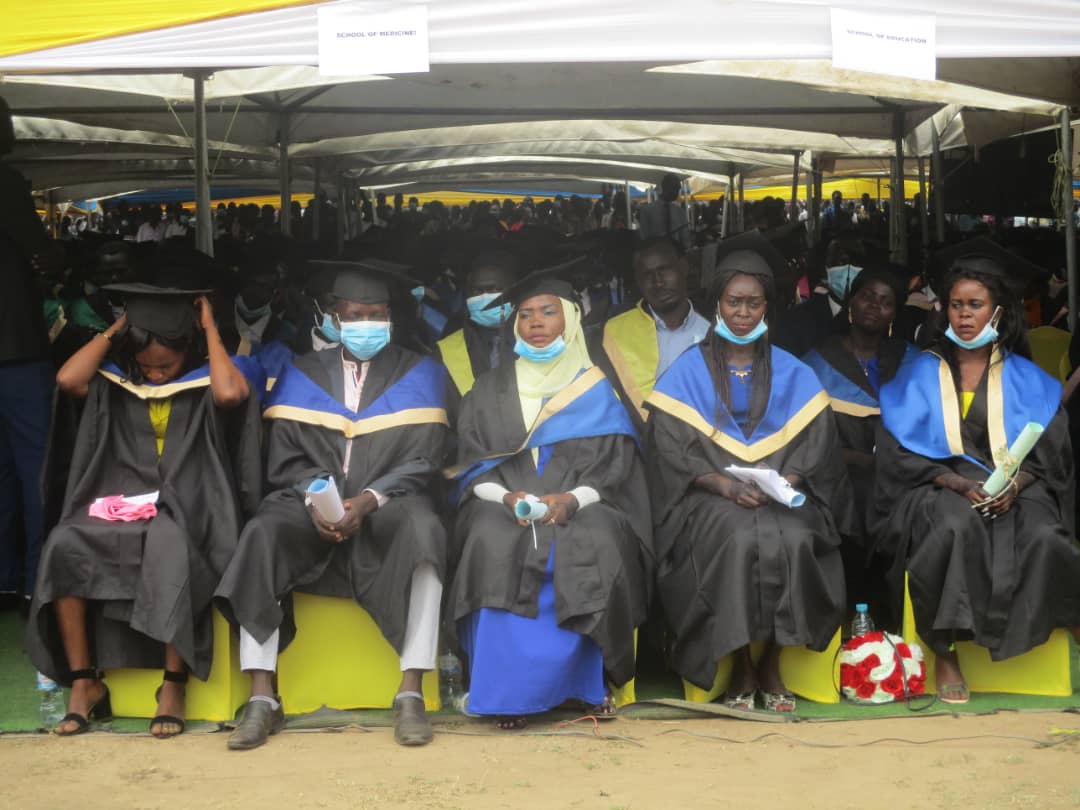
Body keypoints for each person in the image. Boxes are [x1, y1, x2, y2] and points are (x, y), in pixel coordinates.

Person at [216, 260, 451, 750]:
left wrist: (367, 500)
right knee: (263, 531)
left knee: (425, 529)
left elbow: (427, 456)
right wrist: (321, 501)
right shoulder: (302, 373)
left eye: (376, 315)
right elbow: (285, 457)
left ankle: (411, 691)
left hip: (389, 502)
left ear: (390, 316)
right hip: (311, 504)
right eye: (356, 315)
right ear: (333, 317)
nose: (366, 324)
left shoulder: (422, 372)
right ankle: (263, 697)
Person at [25, 281, 259, 737]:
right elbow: (68, 379)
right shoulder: (115, 378)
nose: (155, 376)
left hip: (193, 505)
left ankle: (173, 683)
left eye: (166, 365)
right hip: (121, 502)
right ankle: (83, 682)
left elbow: (230, 395)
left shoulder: (213, 373)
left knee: (169, 541)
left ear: (188, 350)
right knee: (63, 542)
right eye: (145, 365)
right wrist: (119, 327)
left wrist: (209, 328)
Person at [645, 231, 852, 713]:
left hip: (780, 496)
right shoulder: (686, 372)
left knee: (797, 539)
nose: (743, 312)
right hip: (711, 498)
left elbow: (815, 446)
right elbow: (671, 450)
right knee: (737, 541)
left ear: (767, 307)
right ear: (716, 305)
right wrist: (722, 483)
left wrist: (788, 481)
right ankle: (740, 666)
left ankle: (774, 663)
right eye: (734, 302)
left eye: (753, 303)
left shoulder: (794, 371)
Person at [871, 238, 1080, 704]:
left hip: (1016, 487)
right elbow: (898, 453)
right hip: (937, 484)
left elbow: (1051, 456)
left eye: (975, 305)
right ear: (943, 311)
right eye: (956, 305)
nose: (964, 315)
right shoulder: (919, 373)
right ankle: (945, 651)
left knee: (1045, 535)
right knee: (954, 526)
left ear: (998, 311)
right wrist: (954, 481)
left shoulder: (1026, 376)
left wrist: (1018, 483)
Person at [446, 261, 652, 729]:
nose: (536, 323)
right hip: (506, 504)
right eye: (525, 314)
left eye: (548, 311)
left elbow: (614, 470)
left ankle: (585, 686)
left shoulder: (597, 389)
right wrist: (504, 498)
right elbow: (472, 464)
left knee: (595, 539)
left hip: (582, 505)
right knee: (489, 538)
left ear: (571, 319)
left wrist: (570, 500)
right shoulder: (489, 389)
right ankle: (507, 692)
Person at [801, 267, 919, 625]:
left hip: (898, 472)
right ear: (851, 302)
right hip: (838, 472)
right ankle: (848, 610)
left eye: (886, 302)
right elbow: (809, 437)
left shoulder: (913, 362)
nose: (875, 306)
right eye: (868, 296)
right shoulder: (817, 362)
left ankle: (889, 616)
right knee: (850, 499)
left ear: (895, 314)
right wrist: (855, 460)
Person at [0, 95, 58, 605]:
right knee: (32, 468)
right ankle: (36, 580)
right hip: (15, 347)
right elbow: (43, 250)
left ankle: (2, 575)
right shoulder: (9, 185)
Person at [602, 237, 711, 427]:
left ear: (684, 268)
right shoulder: (616, 332)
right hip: (646, 446)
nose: (658, 282)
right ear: (638, 281)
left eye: (664, 270)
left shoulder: (714, 325)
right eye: (647, 275)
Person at [436, 246, 520, 397]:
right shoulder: (451, 338)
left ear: (514, 290)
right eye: (477, 291)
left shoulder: (536, 337)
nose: (484, 297)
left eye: (494, 289)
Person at [637, 174, 691, 251]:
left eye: (678, 189)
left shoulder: (680, 212)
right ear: (665, 187)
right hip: (654, 254)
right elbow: (644, 236)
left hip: (675, 254)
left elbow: (685, 237)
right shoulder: (647, 210)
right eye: (674, 188)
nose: (677, 193)